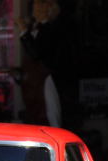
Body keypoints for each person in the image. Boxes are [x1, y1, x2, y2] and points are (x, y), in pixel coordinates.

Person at [17, 0, 77, 129]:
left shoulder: (51, 30)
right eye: (35, 7)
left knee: (50, 111)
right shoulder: (36, 28)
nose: (35, 10)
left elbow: (36, 53)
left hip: (46, 79)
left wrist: (24, 32)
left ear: (47, 10)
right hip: (35, 81)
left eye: (39, 7)